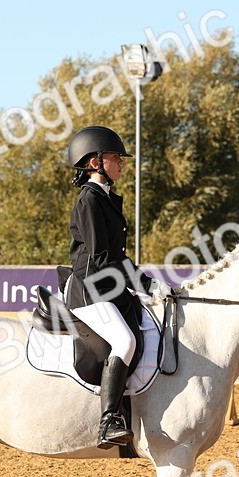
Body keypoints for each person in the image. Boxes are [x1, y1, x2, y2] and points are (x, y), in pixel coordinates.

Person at [65, 125, 169, 448]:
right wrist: (144, 283)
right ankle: (109, 420)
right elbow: (102, 258)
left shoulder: (106, 198)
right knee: (124, 341)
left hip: (107, 286)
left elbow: (116, 258)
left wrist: (145, 284)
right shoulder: (90, 200)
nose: (121, 163)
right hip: (89, 290)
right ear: (95, 162)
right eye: (115, 157)